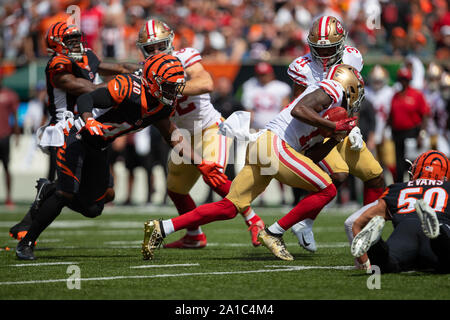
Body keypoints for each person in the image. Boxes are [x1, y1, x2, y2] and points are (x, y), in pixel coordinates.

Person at [15, 53, 226, 260]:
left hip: (99, 146)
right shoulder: (128, 87)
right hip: (77, 135)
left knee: (94, 207)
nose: (174, 92)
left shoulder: (163, 104)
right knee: (66, 193)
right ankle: (26, 243)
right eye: (169, 86)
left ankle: (48, 189)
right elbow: (86, 98)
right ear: (152, 81)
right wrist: (89, 121)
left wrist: (201, 163)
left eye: (176, 86)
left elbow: (171, 134)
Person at [141, 64, 362, 262]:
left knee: (229, 208)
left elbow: (310, 158)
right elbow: (298, 110)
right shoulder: (332, 89)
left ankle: (161, 227)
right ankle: (274, 232)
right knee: (328, 189)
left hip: (264, 146)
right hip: (273, 144)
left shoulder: (326, 112)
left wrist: (334, 138)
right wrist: (334, 127)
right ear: (349, 85)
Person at [136, 19, 265, 248]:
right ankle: (194, 235)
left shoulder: (185, 56)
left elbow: (206, 83)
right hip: (183, 136)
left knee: (214, 177)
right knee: (176, 189)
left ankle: (254, 221)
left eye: (160, 45)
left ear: (170, 42)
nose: (155, 51)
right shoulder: (145, 73)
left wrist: (169, 87)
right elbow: (162, 123)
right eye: (150, 48)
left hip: (210, 129)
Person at [9, 21, 139, 241]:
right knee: (67, 190)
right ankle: (29, 236)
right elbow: (86, 89)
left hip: (88, 129)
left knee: (104, 196)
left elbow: (118, 68)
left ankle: (45, 194)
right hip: (65, 129)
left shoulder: (87, 55)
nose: (76, 44)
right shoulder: (57, 65)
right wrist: (122, 88)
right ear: (57, 45)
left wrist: (138, 72)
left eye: (77, 39)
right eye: (69, 41)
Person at [286, 16, 385, 266]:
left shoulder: (352, 57)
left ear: (341, 44)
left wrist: (353, 124)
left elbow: (354, 94)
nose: (324, 53)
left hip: (343, 127)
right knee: (338, 176)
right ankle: (303, 221)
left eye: (329, 47)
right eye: (319, 48)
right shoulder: (302, 66)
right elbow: (297, 107)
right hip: (317, 130)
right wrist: (329, 127)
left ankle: (367, 233)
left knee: (375, 176)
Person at [350, 150, 450, 274]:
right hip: (439, 226)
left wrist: (364, 263)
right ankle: (437, 234)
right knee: (445, 261)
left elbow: (357, 222)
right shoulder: (446, 187)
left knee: (387, 264)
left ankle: (376, 243)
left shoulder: (398, 188)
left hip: (405, 229)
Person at [241, 61, 292, 205]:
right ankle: (262, 197)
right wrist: (248, 130)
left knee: (277, 165)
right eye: (260, 74)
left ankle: (283, 196)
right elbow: (249, 111)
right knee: (261, 165)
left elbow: (284, 108)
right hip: (257, 131)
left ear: (271, 74)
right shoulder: (250, 87)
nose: (262, 77)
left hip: (276, 131)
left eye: (265, 74)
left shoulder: (280, 88)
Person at [389, 67, 430, 183]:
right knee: (399, 166)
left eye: (405, 79)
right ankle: (401, 191)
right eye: (401, 79)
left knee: (412, 165)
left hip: (412, 133)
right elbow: (391, 116)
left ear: (409, 80)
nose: (403, 82)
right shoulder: (395, 96)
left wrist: (421, 134)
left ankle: (415, 189)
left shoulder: (416, 95)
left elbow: (425, 114)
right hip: (397, 134)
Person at [364, 65, 397, 181]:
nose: (377, 83)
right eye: (375, 80)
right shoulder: (366, 92)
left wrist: (386, 131)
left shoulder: (391, 92)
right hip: (369, 133)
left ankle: (394, 185)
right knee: (373, 166)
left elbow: (393, 114)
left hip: (386, 132)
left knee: (390, 162)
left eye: (379, 80)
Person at [0, 68, 20, 206]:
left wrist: (17, 134)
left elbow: (15, 116)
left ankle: (9, 197)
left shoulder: (10, 95)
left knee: (7, 167)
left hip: (4, 135)